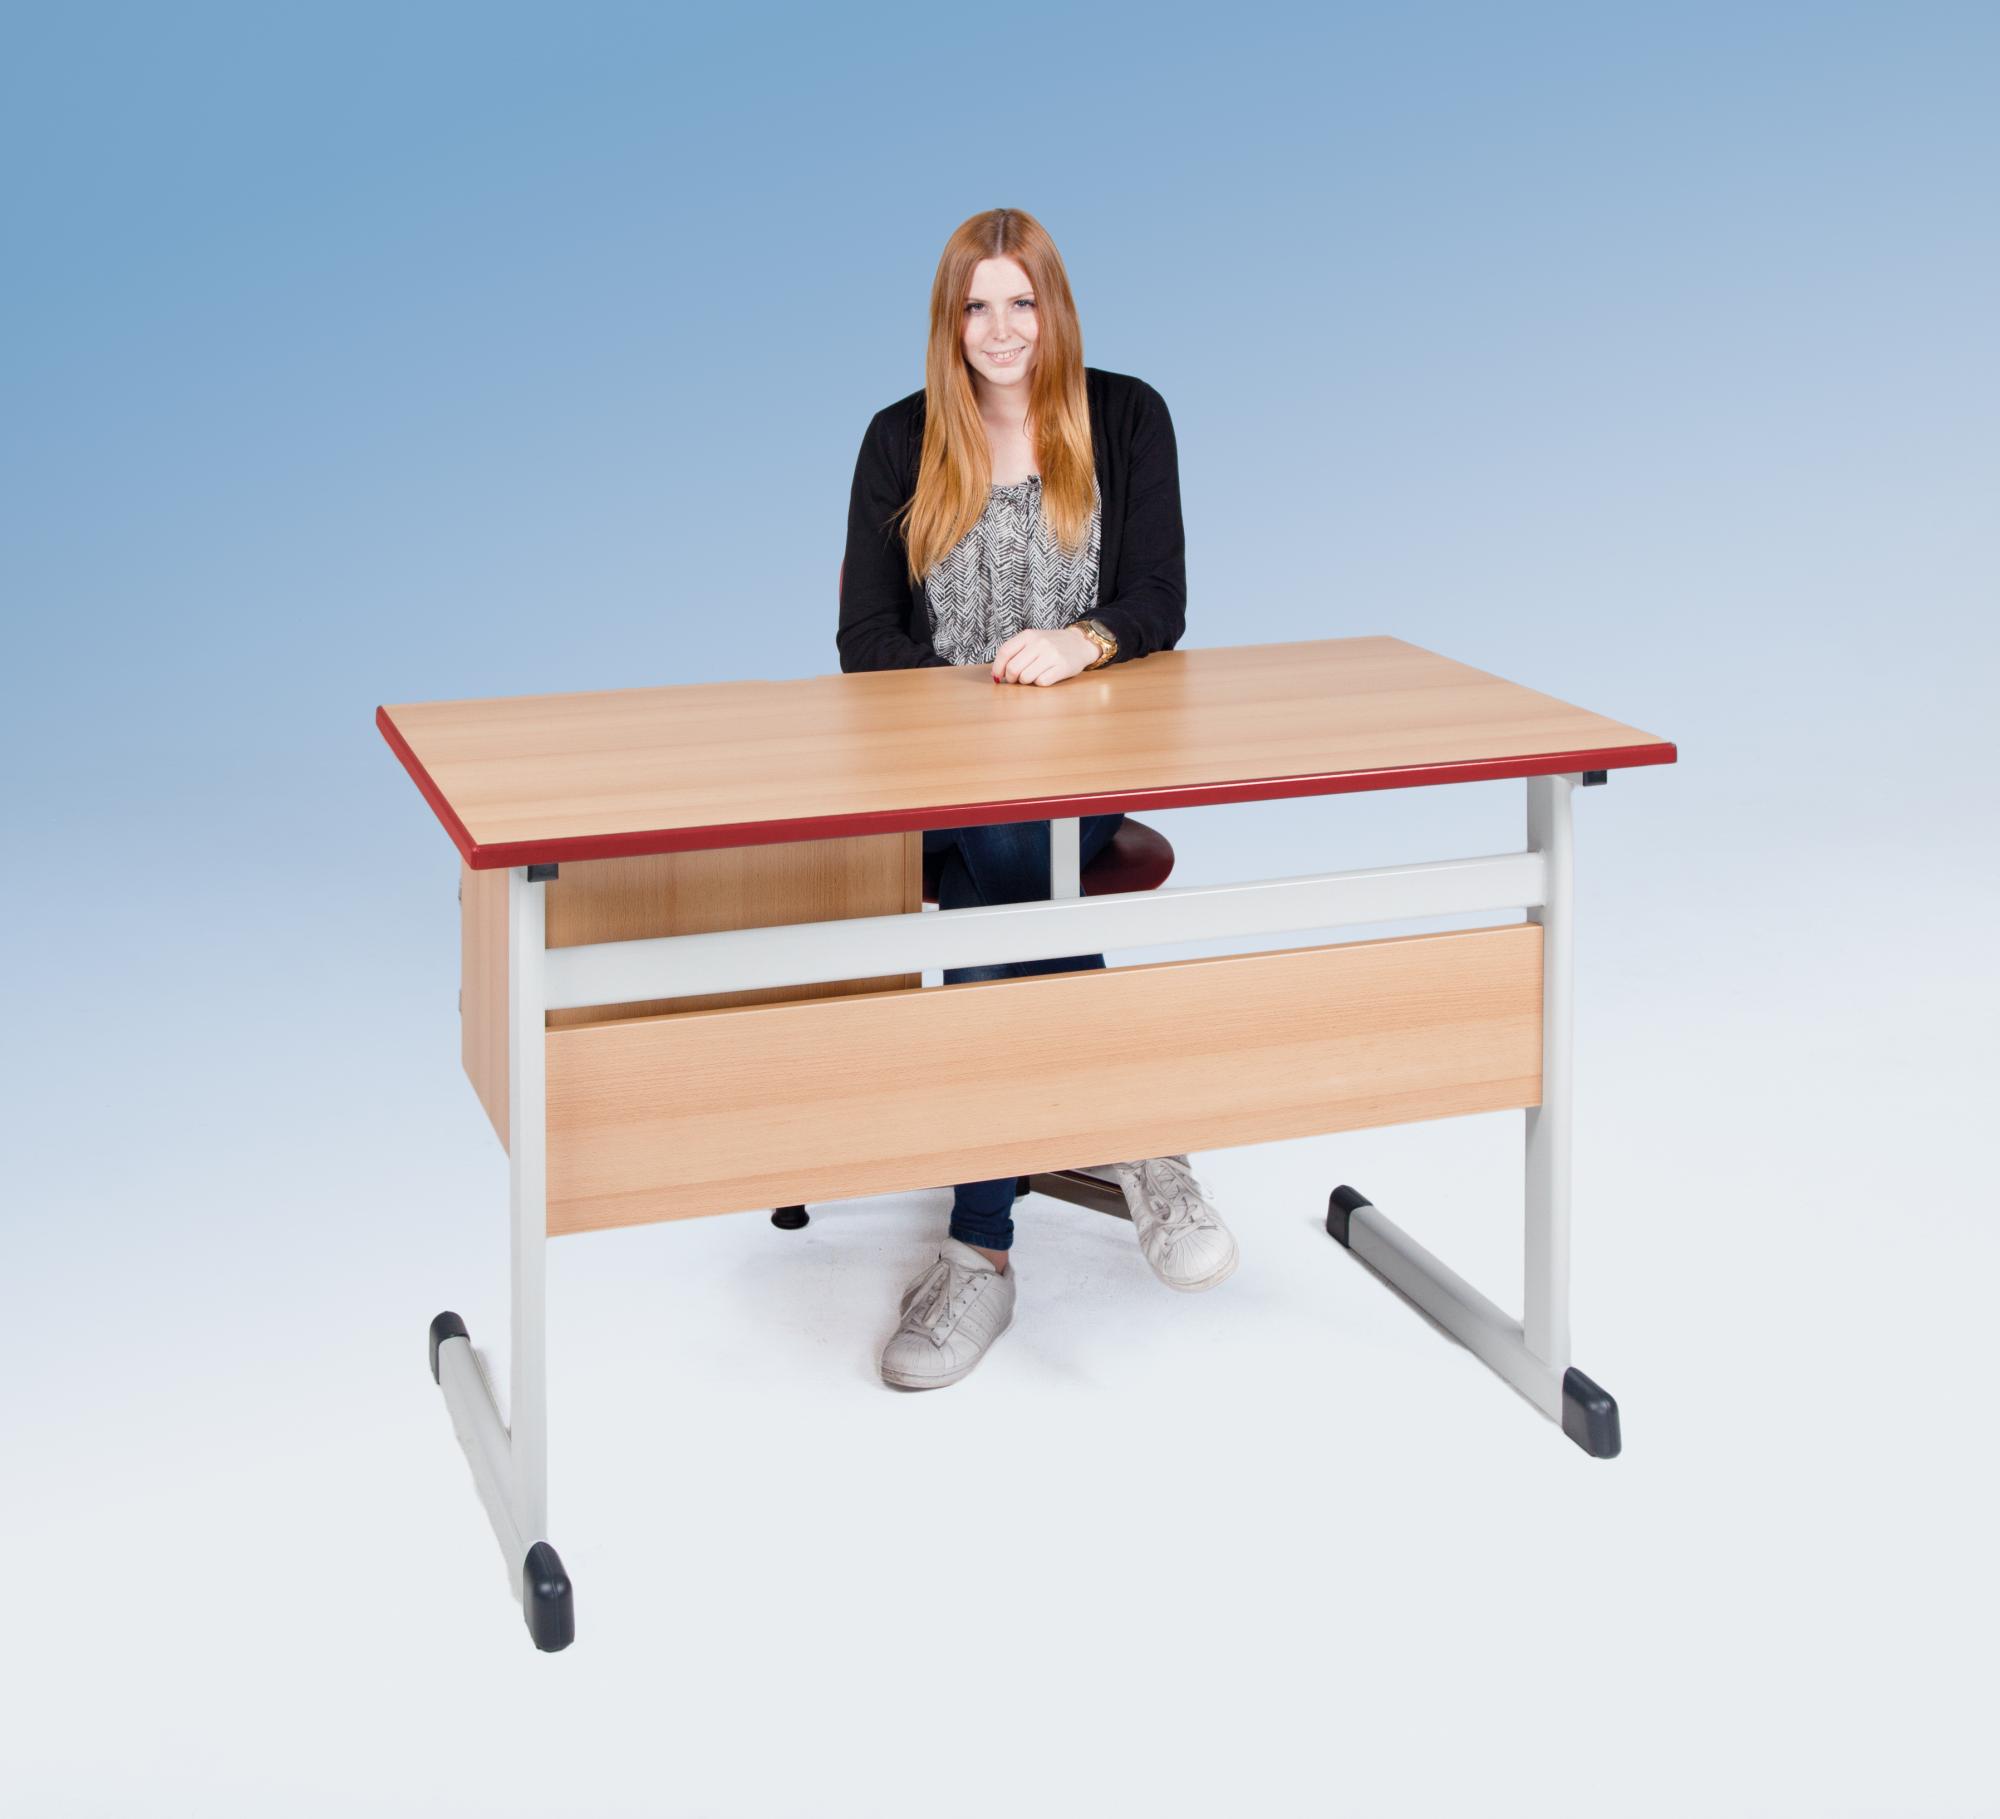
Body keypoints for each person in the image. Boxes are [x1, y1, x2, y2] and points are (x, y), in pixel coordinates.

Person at [838, 206, 1238, 1391]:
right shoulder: (897, 439)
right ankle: (1142, 1136)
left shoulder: (1127, 416)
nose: (1001, 329)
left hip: (1076, 769)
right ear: (947, 321)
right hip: (937, 774)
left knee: (989, 890)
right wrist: (974, 702)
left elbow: (1159, 598)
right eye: (976, 306)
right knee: (991, 854)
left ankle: (978, 1253)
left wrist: (1078, 643)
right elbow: (864, 639)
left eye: (1021, 302)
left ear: (1053, 308)